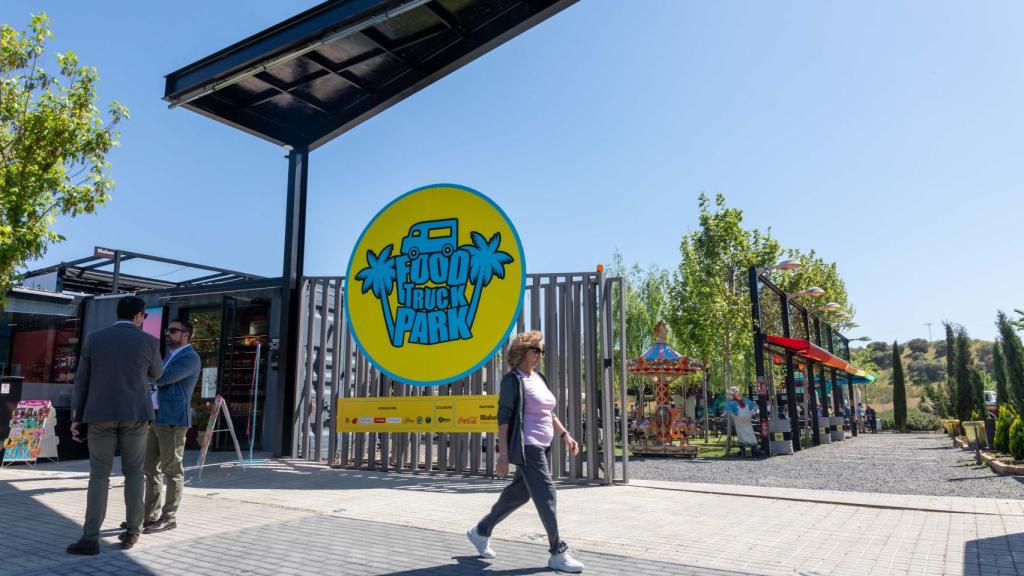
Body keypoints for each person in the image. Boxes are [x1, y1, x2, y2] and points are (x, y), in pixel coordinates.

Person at [467, 331, 584, 573]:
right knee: (547, 493)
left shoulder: (538, 377)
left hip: (543, 444)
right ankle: (557, 552)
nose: (541, 354)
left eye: (542, 351)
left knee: (518, 495)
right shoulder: (512, 380)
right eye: (536, 350)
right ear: (522, 351)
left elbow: (548, 412)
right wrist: (502, 454)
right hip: (528, 446)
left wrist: (565, 435)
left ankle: (480, 531)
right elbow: (504, 417)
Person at [67, 296, 163, 554]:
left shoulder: (95, 339)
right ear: (140, 316)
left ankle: (90, 539)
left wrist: (77, 417)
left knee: (99, 475)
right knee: (134, 472)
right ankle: (133, 532)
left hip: (99, 414)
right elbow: (157, 374)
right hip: (135, 414)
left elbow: (82, 381)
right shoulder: (150, 342)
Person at [143, 319, 201, 534]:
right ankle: (150, 515)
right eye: (167, 330)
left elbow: (163, 378)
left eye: (173, 331)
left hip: (173, 420)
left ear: (186, 335)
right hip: (157, 418)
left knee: (172, 469)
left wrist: (150, 375)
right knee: (150, 468)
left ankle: (169, 517)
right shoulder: (170, 355)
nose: (168, 334)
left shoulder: (190, 358)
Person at [725, 386, 759, 457]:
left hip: (748, 421)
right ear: (732, 395)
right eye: (736, 393)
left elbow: (754, 406)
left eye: (738, 392)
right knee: (741, 436)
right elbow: (731, 413)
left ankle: (754, 451)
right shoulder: (730, 403)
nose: (738, 394)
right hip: (739, 422)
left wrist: (755, 410)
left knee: (751, 435)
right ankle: (742, 451)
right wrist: (738, 419)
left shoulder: (746, 400)